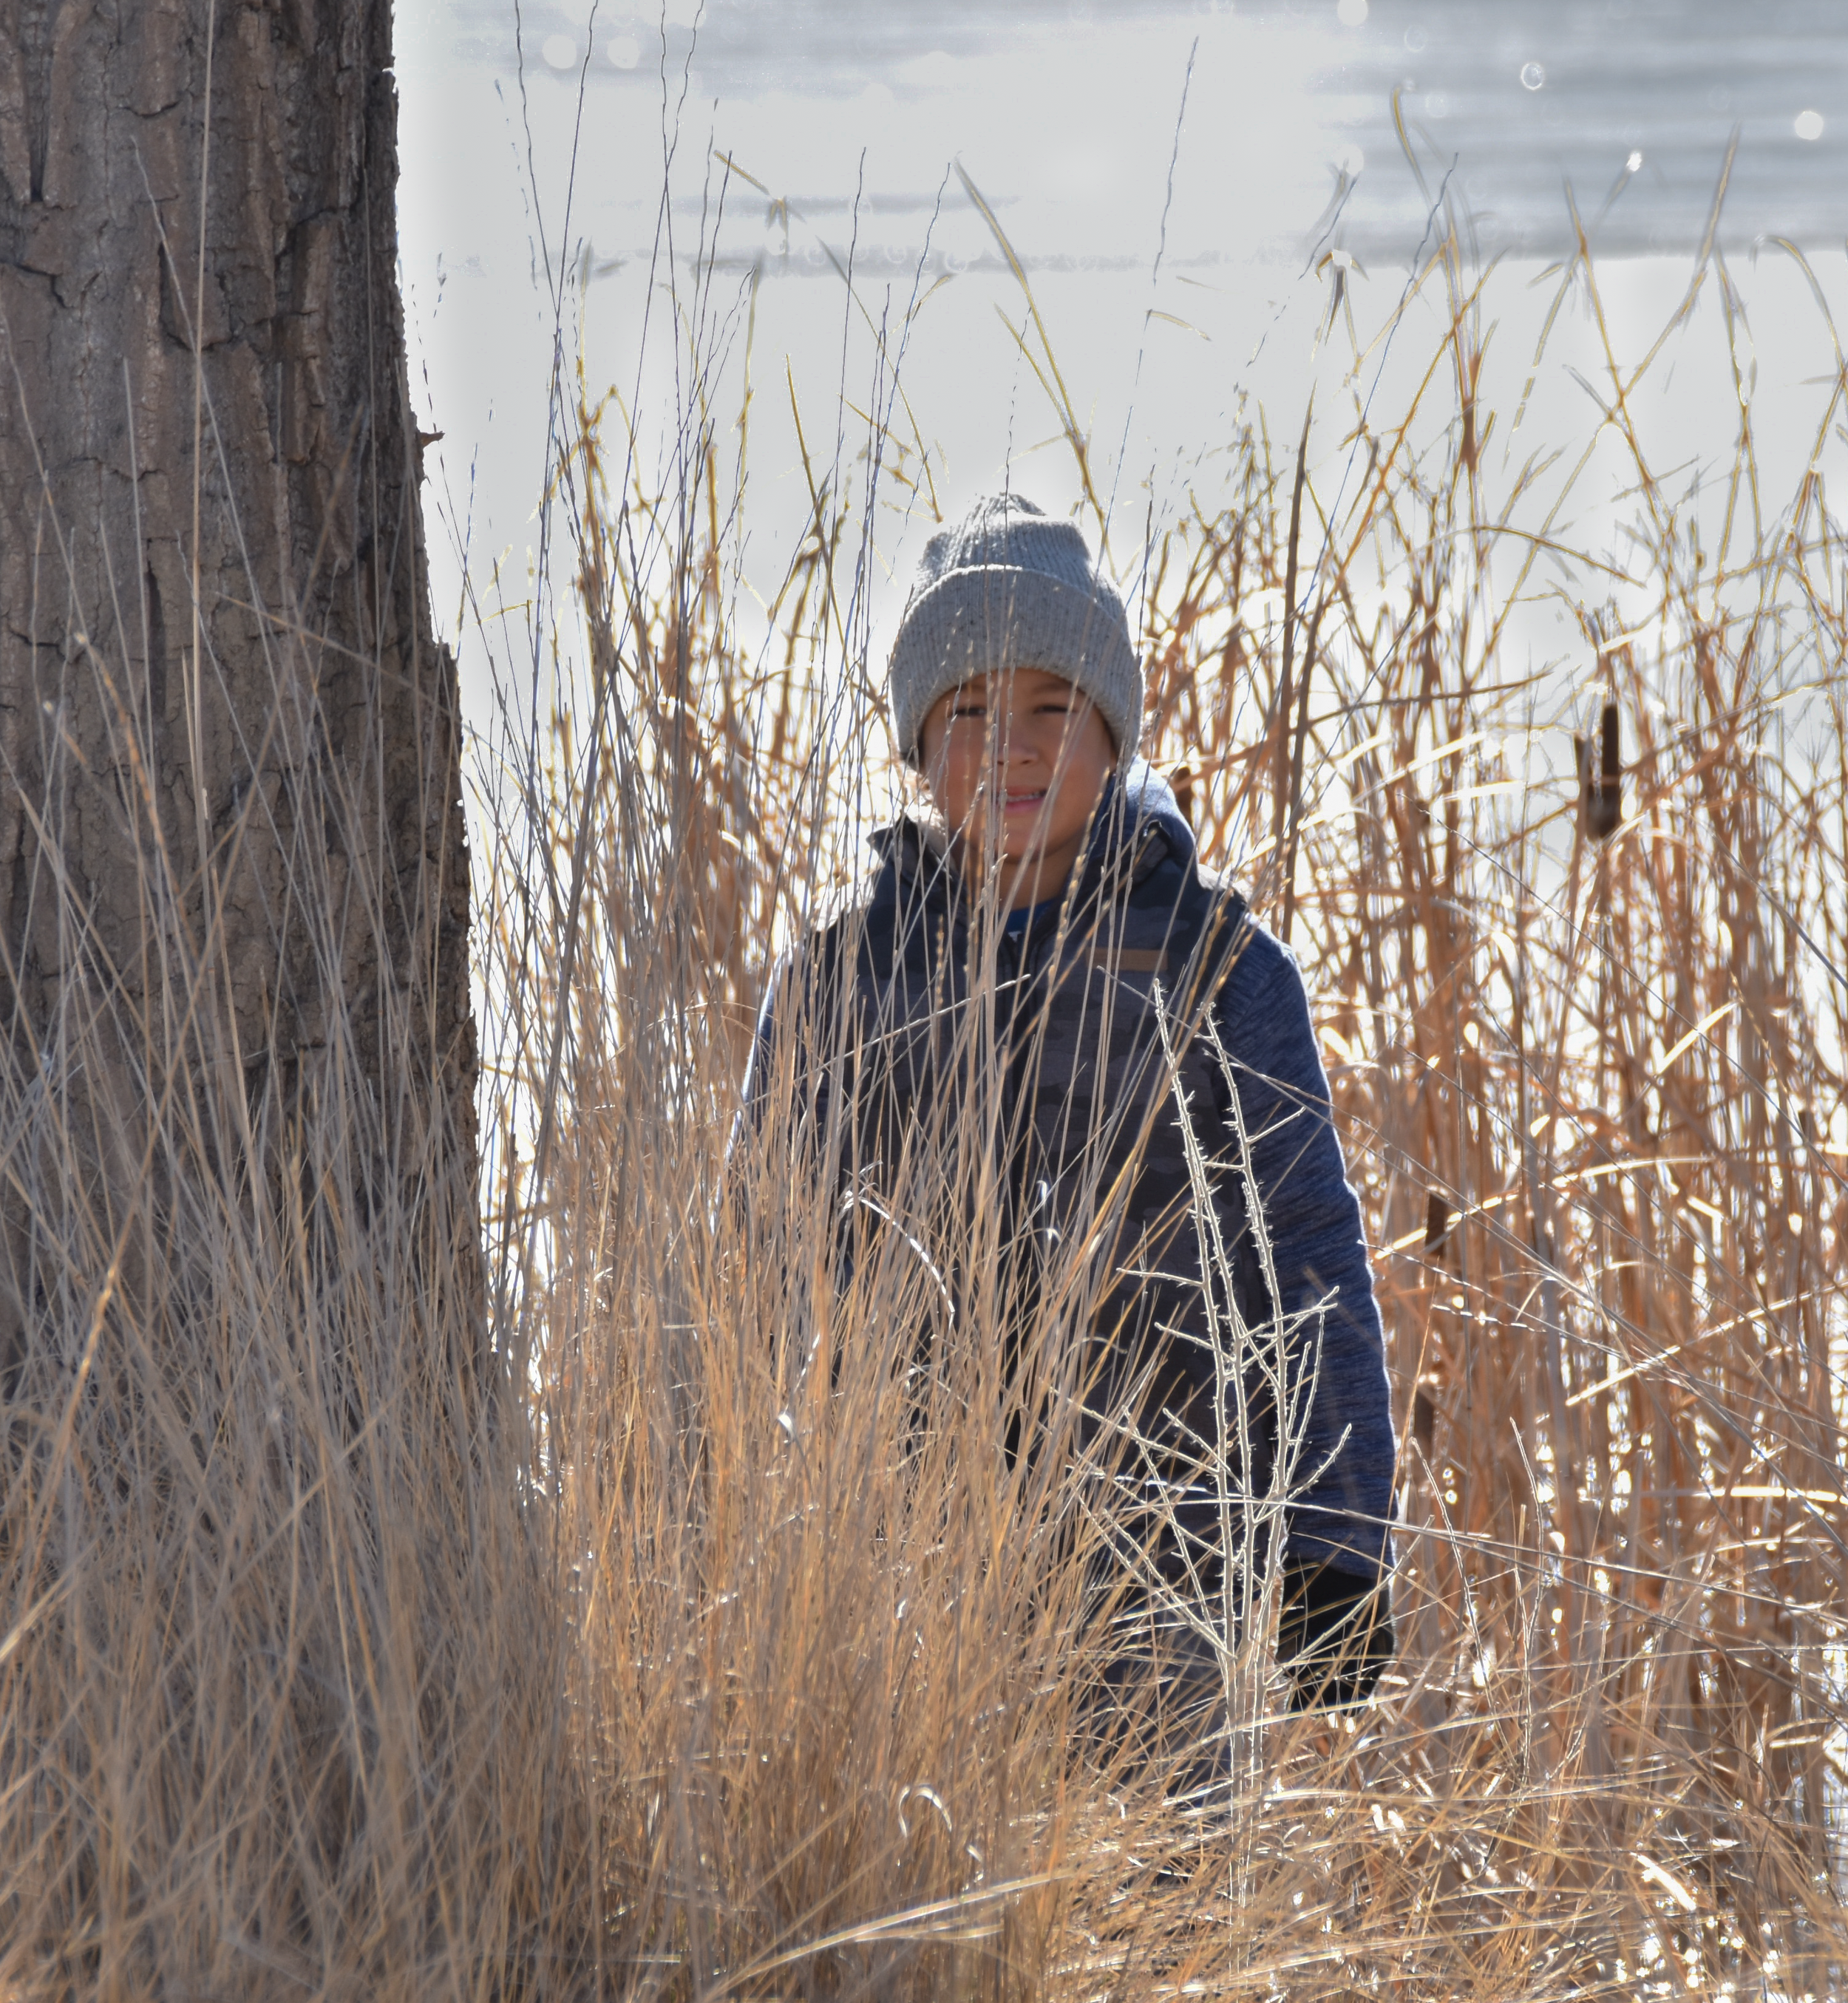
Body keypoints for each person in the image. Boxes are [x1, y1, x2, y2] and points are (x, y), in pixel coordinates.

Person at [741, 491, 1396, 1739]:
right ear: (920, 740)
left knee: (1173, 1922)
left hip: (1165, 1591)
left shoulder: (1216, 970)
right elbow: (749, 1259)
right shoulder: (839, 975)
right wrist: (720, 1519)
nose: (1011, 747)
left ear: (1114, 730)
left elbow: (1310, 1258)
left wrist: (1333, 1548)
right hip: (895, 1600)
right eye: (970, 712)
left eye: (1053, 706)